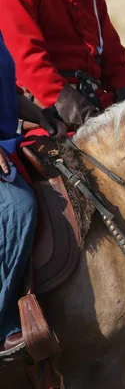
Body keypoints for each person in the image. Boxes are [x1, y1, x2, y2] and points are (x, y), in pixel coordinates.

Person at [0, 30, 66, 355]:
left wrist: (45, 116)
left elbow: (7, 93)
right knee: (18, 205)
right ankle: (2, 326)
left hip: (6, 144)